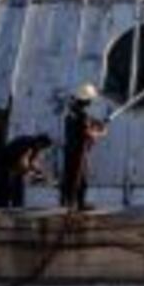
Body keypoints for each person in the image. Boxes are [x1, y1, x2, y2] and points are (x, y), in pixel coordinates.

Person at [61, 83, 108, 212]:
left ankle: (74, 203)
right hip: (79, 151)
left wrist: (96, 124)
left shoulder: (71, 112)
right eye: (90, 99)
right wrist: (101, 133)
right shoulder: (82, 115)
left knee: (73, 176)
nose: (91, 102)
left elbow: (86, 123)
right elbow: (87, 134)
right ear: (86, 100)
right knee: (78, 177)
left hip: (70, 149)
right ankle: (74, 205)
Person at [0, 133, 53, 208]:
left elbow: (33, 162)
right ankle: (2, 203)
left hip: (15, 162)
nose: (43, 149)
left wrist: (40, 172)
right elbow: (23, 161)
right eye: (44, 147)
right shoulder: (27, 144)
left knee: (18, 182)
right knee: (5, 182)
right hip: (6, 160)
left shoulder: (36, 147)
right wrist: (31, 173)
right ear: (41, 143)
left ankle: (17, 204)